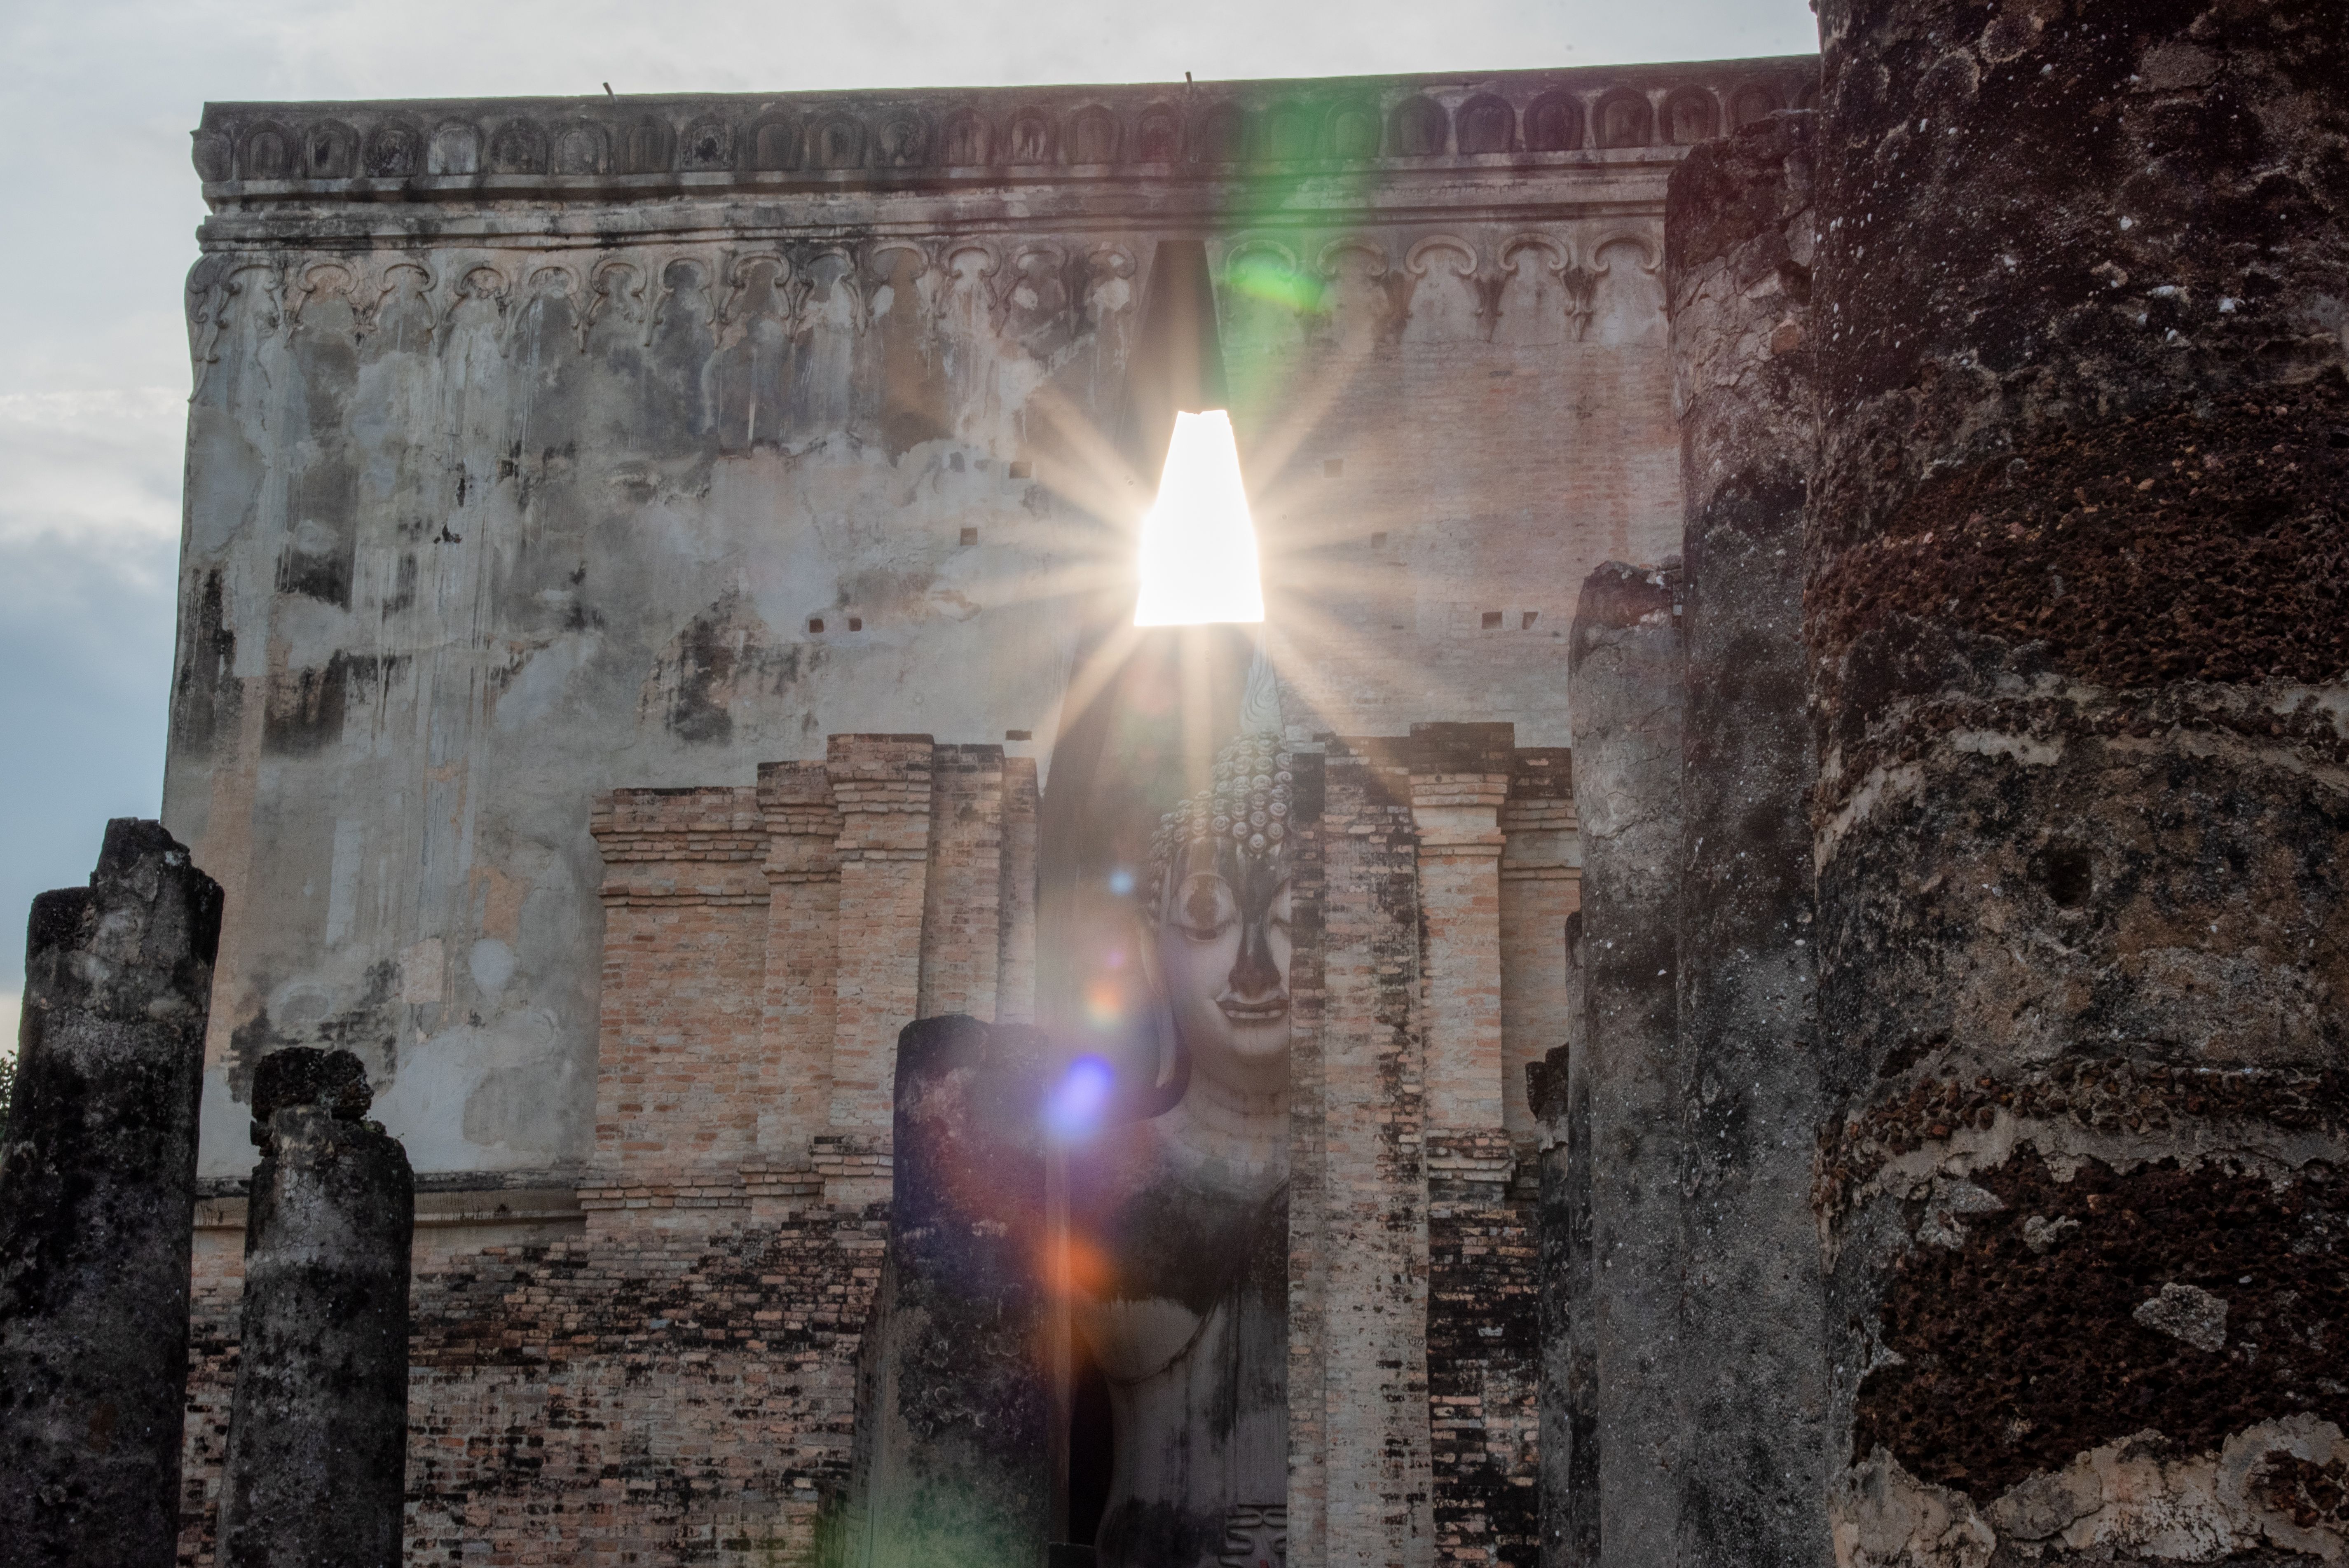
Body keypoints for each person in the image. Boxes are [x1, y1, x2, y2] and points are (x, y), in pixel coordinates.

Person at [1066, 653, 1293, 1568]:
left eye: (1291, 922)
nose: (1252, 971)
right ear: (1151, 951)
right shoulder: (1094, 1175)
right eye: (1206, 921)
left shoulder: (1381, 1193)